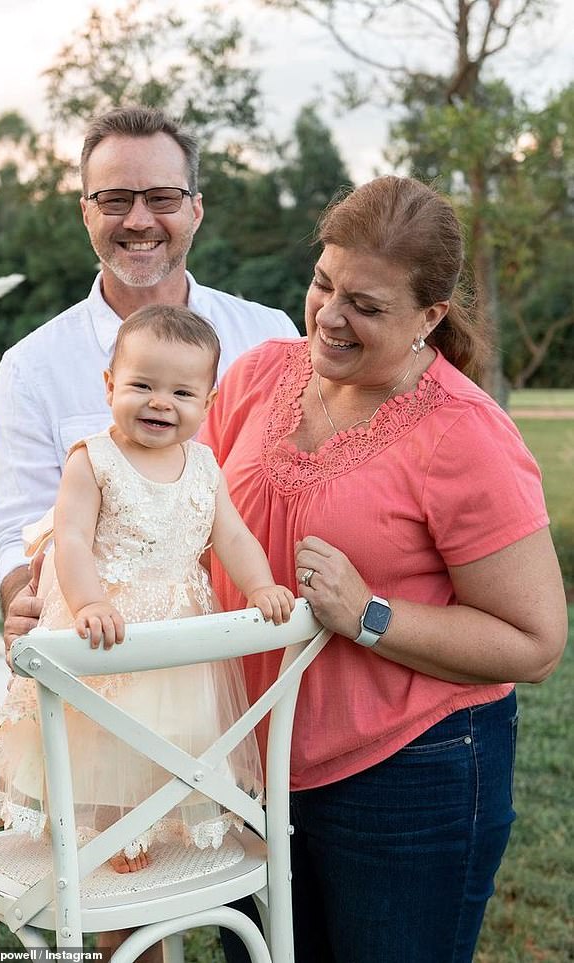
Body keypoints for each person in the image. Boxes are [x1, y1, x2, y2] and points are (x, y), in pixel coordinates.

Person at [199, 176, 568, 963]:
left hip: (409, 777)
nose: (329, 316)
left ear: (430, 316)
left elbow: (535, 641)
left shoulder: (464, 434)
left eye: (366, 306)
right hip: (248, 767)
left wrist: (371, 611)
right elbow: (176, 512)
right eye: (323, 284)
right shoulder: (258, 376)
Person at [0, 305, 295, 877]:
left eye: (182, 393)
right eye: (142, 385)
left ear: (207, 405)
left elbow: (233, 536)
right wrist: (89, 601)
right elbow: (70, 538)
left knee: (166, 730)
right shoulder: (94, 460)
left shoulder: (205, 464)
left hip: (178, 624)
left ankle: (144, 818)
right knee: (96, 732)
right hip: (106, 614)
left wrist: (260, 583)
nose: (161, 402)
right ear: (111, 385)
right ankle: (50, 812)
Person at [0, 105, 298, 654]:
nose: (138, 220)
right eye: (115, 200)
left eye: (162, 199)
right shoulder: (31, 367)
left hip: (258, 643)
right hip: (107, 650)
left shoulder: (270, 335)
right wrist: (26, 606)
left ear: (196, 210)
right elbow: (21, 538)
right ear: (86, 213)